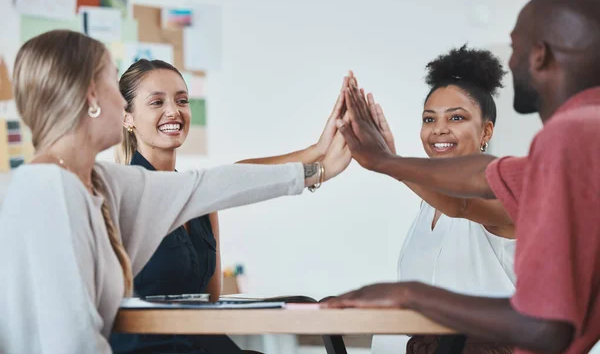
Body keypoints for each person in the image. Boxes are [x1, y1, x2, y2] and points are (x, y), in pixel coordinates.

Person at [0, 29, 351, 354]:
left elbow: (209, 185)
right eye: (111, 82)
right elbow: (71, 340)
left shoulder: (97, 180)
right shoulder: (51, 192)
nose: (122, 104)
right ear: (91, 96)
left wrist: (318, 167)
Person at [323, 0, 600, 354]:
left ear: (539, 55)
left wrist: (412, 297)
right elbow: (477, 187)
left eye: (514, 46)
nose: (510, 61)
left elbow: (472, 197)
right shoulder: (578, 136)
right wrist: (389, 161)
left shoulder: (572, 134)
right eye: (429, 118)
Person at [110, 59, 349, 354]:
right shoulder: (123, 193)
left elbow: (233, 178)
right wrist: (319, 166)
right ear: (127, 117)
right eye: (156, 102)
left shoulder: (203, 200)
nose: (173, 111)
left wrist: (318, 149)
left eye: (182, 100)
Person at [370, 46, 516, 354]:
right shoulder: (427, 205)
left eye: (457, 117)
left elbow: (461, 204)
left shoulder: (504, 188)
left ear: (486, 130)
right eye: (428, 119)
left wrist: (387, 161)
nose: (439, 130)